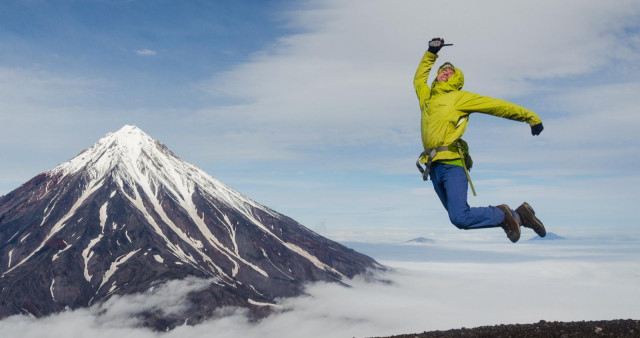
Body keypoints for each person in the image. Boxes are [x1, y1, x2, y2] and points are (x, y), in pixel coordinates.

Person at [413, 37, 546, 243]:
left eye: (450, 73)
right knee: (458, 221)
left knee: (460, 216)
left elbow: (496, 106)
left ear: (456, 80)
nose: (445, 73)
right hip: (434, 168)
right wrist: (431, 53)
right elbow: (418, 80)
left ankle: (504, 213)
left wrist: (530, 117)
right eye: (442, 71)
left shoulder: (459, 98)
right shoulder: (427, 98)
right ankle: (520, 216)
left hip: (452, 164)